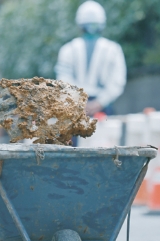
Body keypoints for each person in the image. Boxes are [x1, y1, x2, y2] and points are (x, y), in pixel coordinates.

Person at [55, 0, 127, 143]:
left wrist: (83, 104)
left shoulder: (68, 49)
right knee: (108, 153)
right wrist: (98, 103)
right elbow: (117, 82)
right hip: (96, 109)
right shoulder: (113, 49)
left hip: (80, 110)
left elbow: (63, 82)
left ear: (79, 25)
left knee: (73, 155)